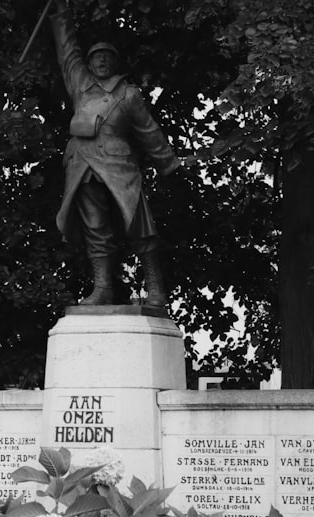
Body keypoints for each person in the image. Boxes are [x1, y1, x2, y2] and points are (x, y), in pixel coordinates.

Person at [49, 0, 183, 306]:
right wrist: (60, 14)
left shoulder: (128, 94)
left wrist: (168, 163)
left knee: (139, 224)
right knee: (95, 229)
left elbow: (148, 131)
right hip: (82, 164)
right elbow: (68, 51)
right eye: (96, 57)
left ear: (115, 62)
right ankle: (103, 287)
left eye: (107, 57)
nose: (101, 62)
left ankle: (156, 288)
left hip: (118, 165)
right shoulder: (81, 85)